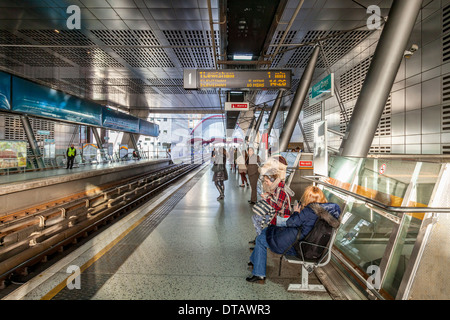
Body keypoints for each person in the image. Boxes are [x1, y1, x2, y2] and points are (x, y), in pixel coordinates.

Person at [246, 185, 341, 284]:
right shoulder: (328, 212)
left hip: (298, 247)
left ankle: (259, 274)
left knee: (261, 240)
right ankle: (255, 260)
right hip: (307, 244)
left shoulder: (310, 211)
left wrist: (296, 212)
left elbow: (290, 222)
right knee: (266, 231)